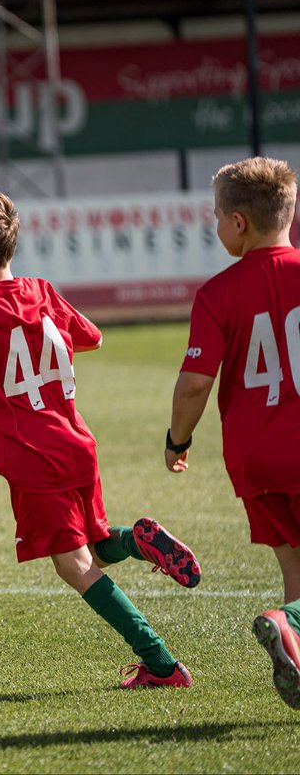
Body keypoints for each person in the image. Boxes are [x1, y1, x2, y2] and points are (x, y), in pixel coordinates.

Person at [0, 191, 200, 689]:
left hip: (32, 455)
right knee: (99, 547)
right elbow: (92, 338)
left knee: (74, 565)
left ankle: (162, 664)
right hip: (75, 442)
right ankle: (138, 541)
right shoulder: (41, 290)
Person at [163, 156, 300, 708]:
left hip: (257, 457)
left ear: (238, 222)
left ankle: (292, 640)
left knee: (294, 563)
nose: (215, 226)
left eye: (216, 217)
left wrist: (178, 440)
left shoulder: (218, 292)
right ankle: (284, 620)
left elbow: (195, 384)